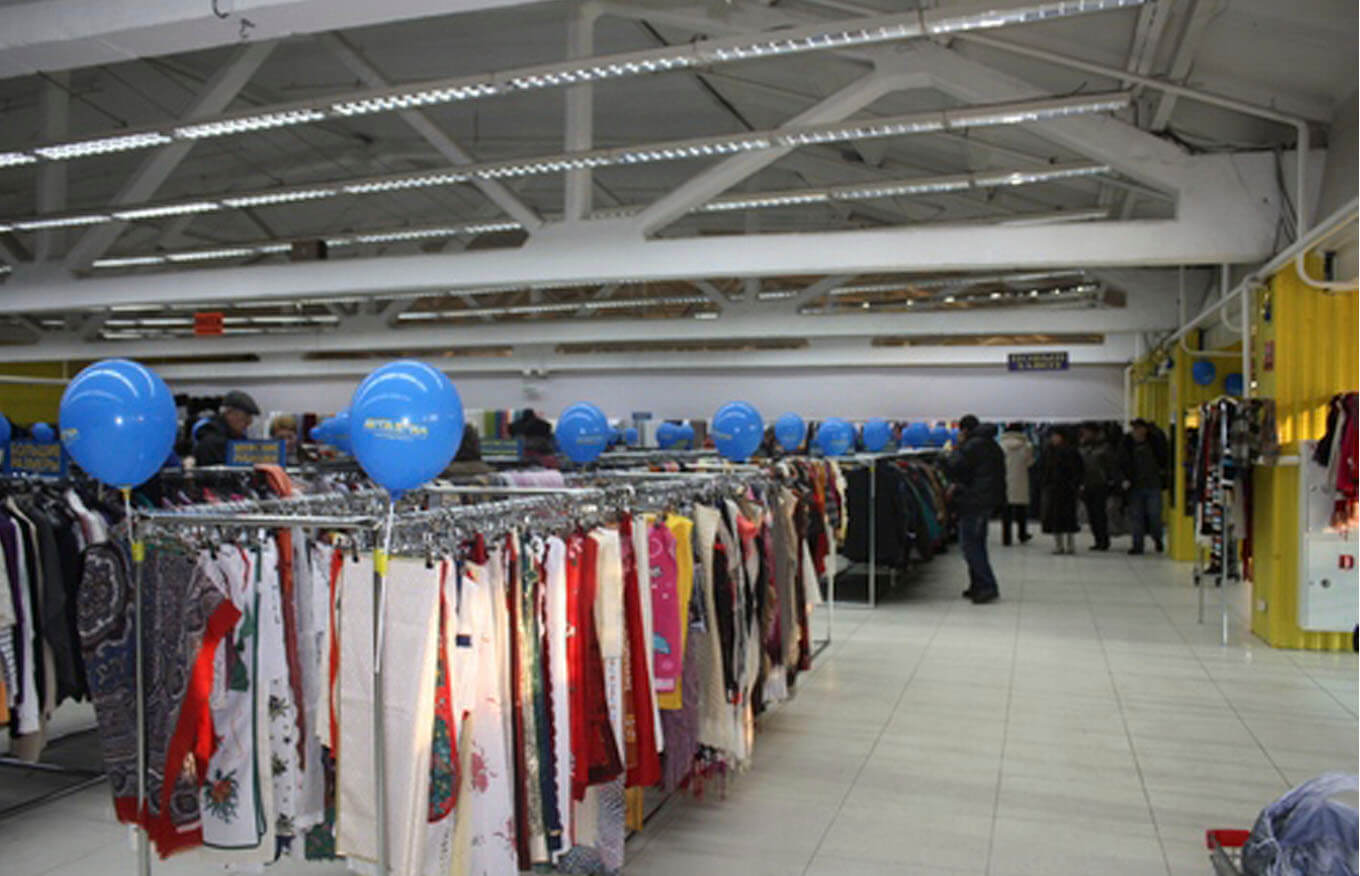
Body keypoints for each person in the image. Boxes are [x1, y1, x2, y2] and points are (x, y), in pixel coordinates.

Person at [945, 414, 1006, 604]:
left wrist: (954, 450)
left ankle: (987, 586)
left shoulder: (972, 446)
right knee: (977, 543)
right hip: (985, 501)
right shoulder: (991, 444)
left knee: (970, 545)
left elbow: (954, 467)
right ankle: (977, 584)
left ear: (964, 430)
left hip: (973, 502)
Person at [1120, 418, 1169, 554]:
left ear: (1145, 430)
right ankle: (1137, 545)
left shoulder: (1155, 443)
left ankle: (1157, 537)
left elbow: (1164, 459)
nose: (1136, 432)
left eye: (1138, 428)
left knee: (1154, 515)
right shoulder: (1127, 445)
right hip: (1135, 486)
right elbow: (1121, 463)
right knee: (1136, 517)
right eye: (1134, 429)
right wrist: (1123, 479)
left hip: (1154, 485)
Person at [1040, 427, 1084, 555]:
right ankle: (1058, 545)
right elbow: (1044, 469)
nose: (1053, 438)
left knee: (1068, 517)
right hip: (1054, 489)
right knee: (1055, 518)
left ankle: (1070, 545)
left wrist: (1075, 484)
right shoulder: (1049, 451)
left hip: (1067, 489)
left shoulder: (1070, 451)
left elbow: (1078, 469)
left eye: (1055, 436)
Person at [1078, 422, 1119, 551]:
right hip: (1087, 484)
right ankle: (1097, 539)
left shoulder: (1105, 448)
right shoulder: (1083, 447)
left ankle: (1103, 540)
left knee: (1099, 513)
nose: (1084, 434)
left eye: (1087, 431)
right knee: (1091, 514)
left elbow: (1112, 466)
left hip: (1101, 484)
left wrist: (1113, 481)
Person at [190, 390, 260, 466]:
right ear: (229, 413)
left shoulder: (236, 437)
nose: (249, 422)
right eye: (245, 417)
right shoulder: (213, 442)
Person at [998, 423, 1035, 546]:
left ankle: (1006, 538)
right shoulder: (1027, 445)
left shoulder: (1001, 445)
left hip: (1005, 480)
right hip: (1021, 480)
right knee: (1021, 509)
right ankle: (1022, 534)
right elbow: (1030, 463)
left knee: (1006, 511)